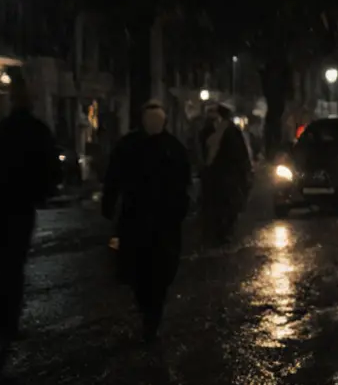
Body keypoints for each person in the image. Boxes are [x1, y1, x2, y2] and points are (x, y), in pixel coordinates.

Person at [0, 71, 58, 370]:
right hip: (17, 208)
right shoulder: (37, 132)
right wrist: (42, 193)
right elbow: (48, 172)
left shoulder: (1, 131)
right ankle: (5, 323)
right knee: (12, 267)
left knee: (0, 266)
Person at [102, 100, 192, 343]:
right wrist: (109, 204)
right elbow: (113, 178)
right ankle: (148, 311)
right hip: (136, 218)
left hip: (164, 221)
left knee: (161, 271)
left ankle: (152, 318)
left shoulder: (173, 148)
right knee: (138, 270)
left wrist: (181, 209)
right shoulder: (129, 145)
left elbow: (184, 184)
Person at [200, 103, 252, 246]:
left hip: (221, 174)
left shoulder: (223, 131)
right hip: (222, 175)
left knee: (222, 205)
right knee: (223, 205)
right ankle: (221, 233)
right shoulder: (227, 131)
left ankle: (220, 233)